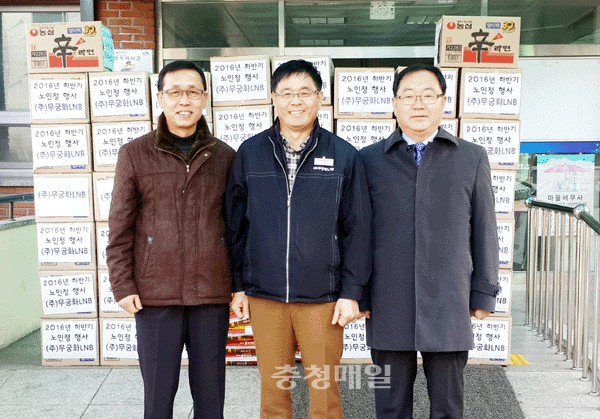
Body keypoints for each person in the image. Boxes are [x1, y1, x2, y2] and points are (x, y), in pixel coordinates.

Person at [226, 59, 371, 418]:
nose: (296, 101)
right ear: (274, 98)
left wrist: (352, 292)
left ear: (320, 98)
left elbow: (357, 229)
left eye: (305, 92)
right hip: (265, 295)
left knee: (324, 393)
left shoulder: (343, 155)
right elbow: (235, 225)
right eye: (287, 93)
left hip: (323, 298)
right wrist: (238, 286)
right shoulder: (250, 152)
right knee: (273, 391)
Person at [359, 63, 500, 419]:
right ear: (394, 103)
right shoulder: (369, 160)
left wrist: (483, 292)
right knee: (390, 407)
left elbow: (485, 229)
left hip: (448, 299)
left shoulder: (471, 157)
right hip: (388, 300)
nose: (418, 104)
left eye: (427, 95)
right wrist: (358, 292)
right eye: (408, 96)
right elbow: (357, 233)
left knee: (448, 407)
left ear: (444, 102)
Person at [106, 60, 235, 419]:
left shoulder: (225, 156)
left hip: (211, 294)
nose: (184, 100)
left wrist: (238, 287)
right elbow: (120, 228)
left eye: (192, 92)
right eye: (175, 92)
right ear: (160, 97)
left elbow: (236, 228)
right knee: (158, 396)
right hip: (155, 295)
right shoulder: (134, 154)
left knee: (211, 398)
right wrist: (123, 285)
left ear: (205, 98)